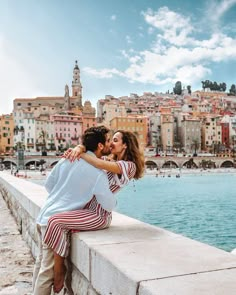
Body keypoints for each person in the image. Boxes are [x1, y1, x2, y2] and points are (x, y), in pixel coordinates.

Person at [43, 129, 145, 293]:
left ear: (125, 145)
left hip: (98, 215)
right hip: (86, 210)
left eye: (116, 140)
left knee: (55, 221)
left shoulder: (128, 166)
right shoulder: (107, 159)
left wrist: (79, 153)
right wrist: (79, 148)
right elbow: (93, 156)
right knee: (55, 219)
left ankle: (59, 270)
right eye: (110, 139)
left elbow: (97, 163)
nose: (111, 143)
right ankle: (58, 267)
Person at [33, 126, 113, 295]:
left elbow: (48, 185)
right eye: (107, 141)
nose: (109, 145)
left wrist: (64, 195)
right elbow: (108, 204)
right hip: (53, 222)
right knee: (47, 272)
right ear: (99, 146)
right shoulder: (97, 172)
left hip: (43, 216)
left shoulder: (67, 159)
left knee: (41, 264)